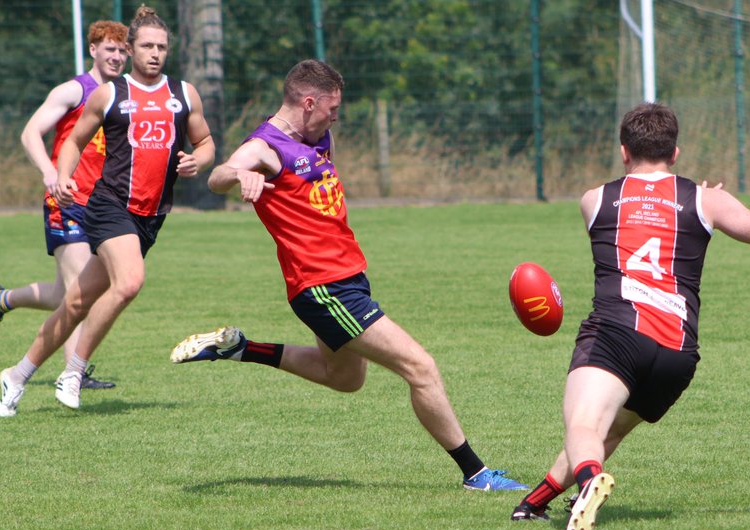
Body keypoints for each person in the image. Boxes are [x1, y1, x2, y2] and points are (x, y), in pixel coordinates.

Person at [168, 59, 526, 492]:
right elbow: (218, 176)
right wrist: (239, 174)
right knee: (421, 367)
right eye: (331, 109)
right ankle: (476, 474)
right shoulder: (266, 146)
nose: (335, 117)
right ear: (308, 101)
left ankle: (241, 348)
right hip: (323, 288)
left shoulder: (320, 138)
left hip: (349, 277)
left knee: (345, 378)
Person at [510, 102, 750, 530]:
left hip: (616, 333)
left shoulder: (594, 200)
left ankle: (589, 483)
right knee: (608, 432)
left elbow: (642, 211)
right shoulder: (705, 200)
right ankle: (533, 504)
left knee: (585, 425)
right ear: (676, 152)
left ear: (624, 151)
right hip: (676, 354)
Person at [0, 5, 215, 417]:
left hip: (152, 215)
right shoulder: (111, 94)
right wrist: (61, 176)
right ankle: (74, 371)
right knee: (130, 282)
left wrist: (198, 160)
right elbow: (74, 141)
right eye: (147, 45)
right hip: (110, 204)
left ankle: (17, 374)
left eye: (162, 47)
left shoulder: (184, 94)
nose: (155, 53)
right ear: (130, 49)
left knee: (76, 302)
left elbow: (206, 142)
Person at [0, 20, 129, 392]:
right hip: (68, 199)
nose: (117, 56)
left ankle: (2, 299)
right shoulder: (75, 90)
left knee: (67, 294)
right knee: (81, 291)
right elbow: (30, 132)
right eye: (109, 49)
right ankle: (74, 372)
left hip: (104, 205)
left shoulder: (124, 96)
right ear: (93, 49)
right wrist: (49, 172)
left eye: (123, 51)